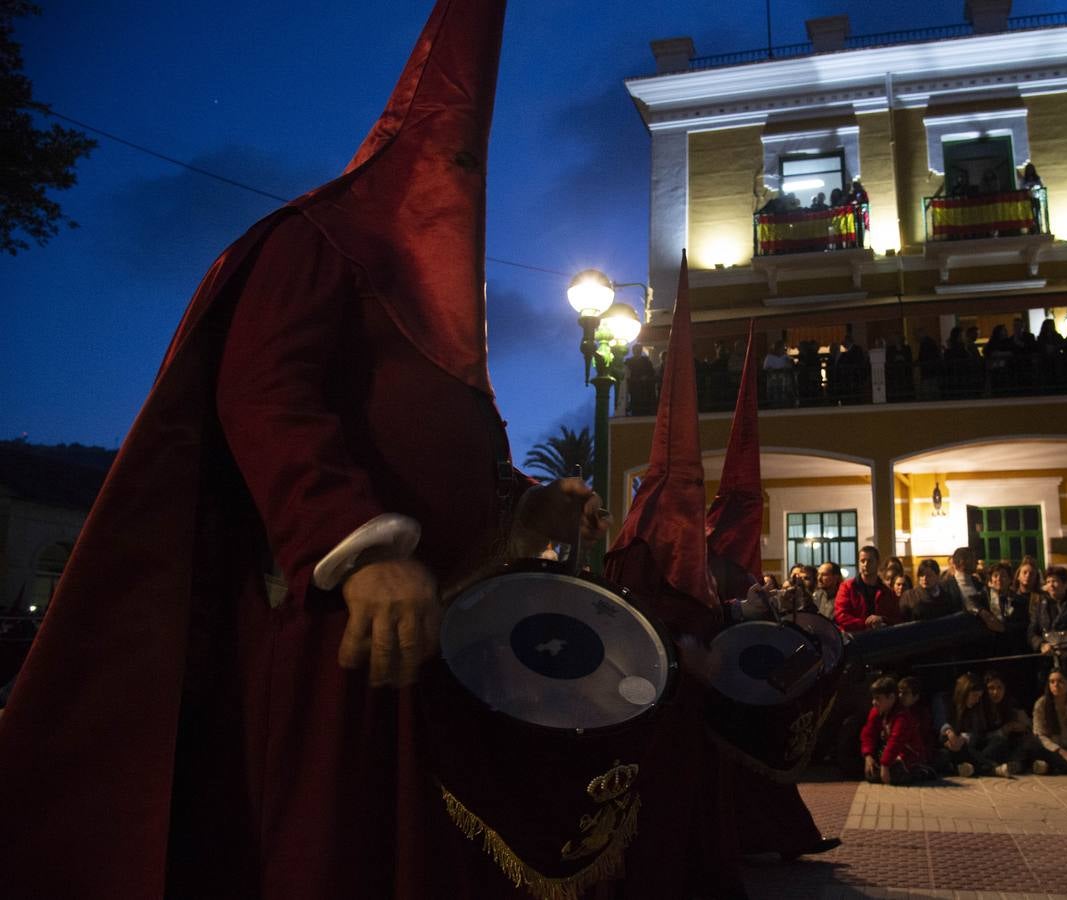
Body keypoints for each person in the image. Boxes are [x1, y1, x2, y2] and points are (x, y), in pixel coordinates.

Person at [0, 3, 613, 898]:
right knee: (320, 853)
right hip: (333, 627)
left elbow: (450, 458)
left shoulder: (449, 327)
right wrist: (360, 545)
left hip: (437, 634)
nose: (461, 183)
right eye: (450, 157)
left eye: (474, 165)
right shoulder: (317, 241)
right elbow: (265, 394)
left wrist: (529, 506)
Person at [860, 676, 936, 785]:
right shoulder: (877, 711)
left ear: (891, 697)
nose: (874, 702)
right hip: (892, 755)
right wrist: (868, 756)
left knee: (896, 775)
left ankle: (923, 770)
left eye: (878, 698)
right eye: (873, 698)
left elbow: (895, 741)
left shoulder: (902, 716)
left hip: (909, 757)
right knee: (870, 772)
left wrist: (885, 765)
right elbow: (868, 733)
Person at [936, 672, 1012, 777]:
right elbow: (940, 723)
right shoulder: (943, 700)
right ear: (964, 692)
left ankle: (969, 767)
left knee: (998, 741)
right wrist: (950, 733)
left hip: (966, 746)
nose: (977, 700)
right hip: (948, 744)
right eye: (975, 696)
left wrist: (962, 738)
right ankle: (991, 768)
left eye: (979, 697)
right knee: (944, 752)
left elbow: (975, 732)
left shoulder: (974, 707)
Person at [834, 545, 901, 632]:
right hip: (855, 638)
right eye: (862, 561)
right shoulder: (847, 587)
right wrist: (866, 623)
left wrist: (882, 619)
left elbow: (895, 617)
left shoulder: (886, 591)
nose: (865, 564)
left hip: (880, 639)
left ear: (877, 563)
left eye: (870, 561)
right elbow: (841, 615)